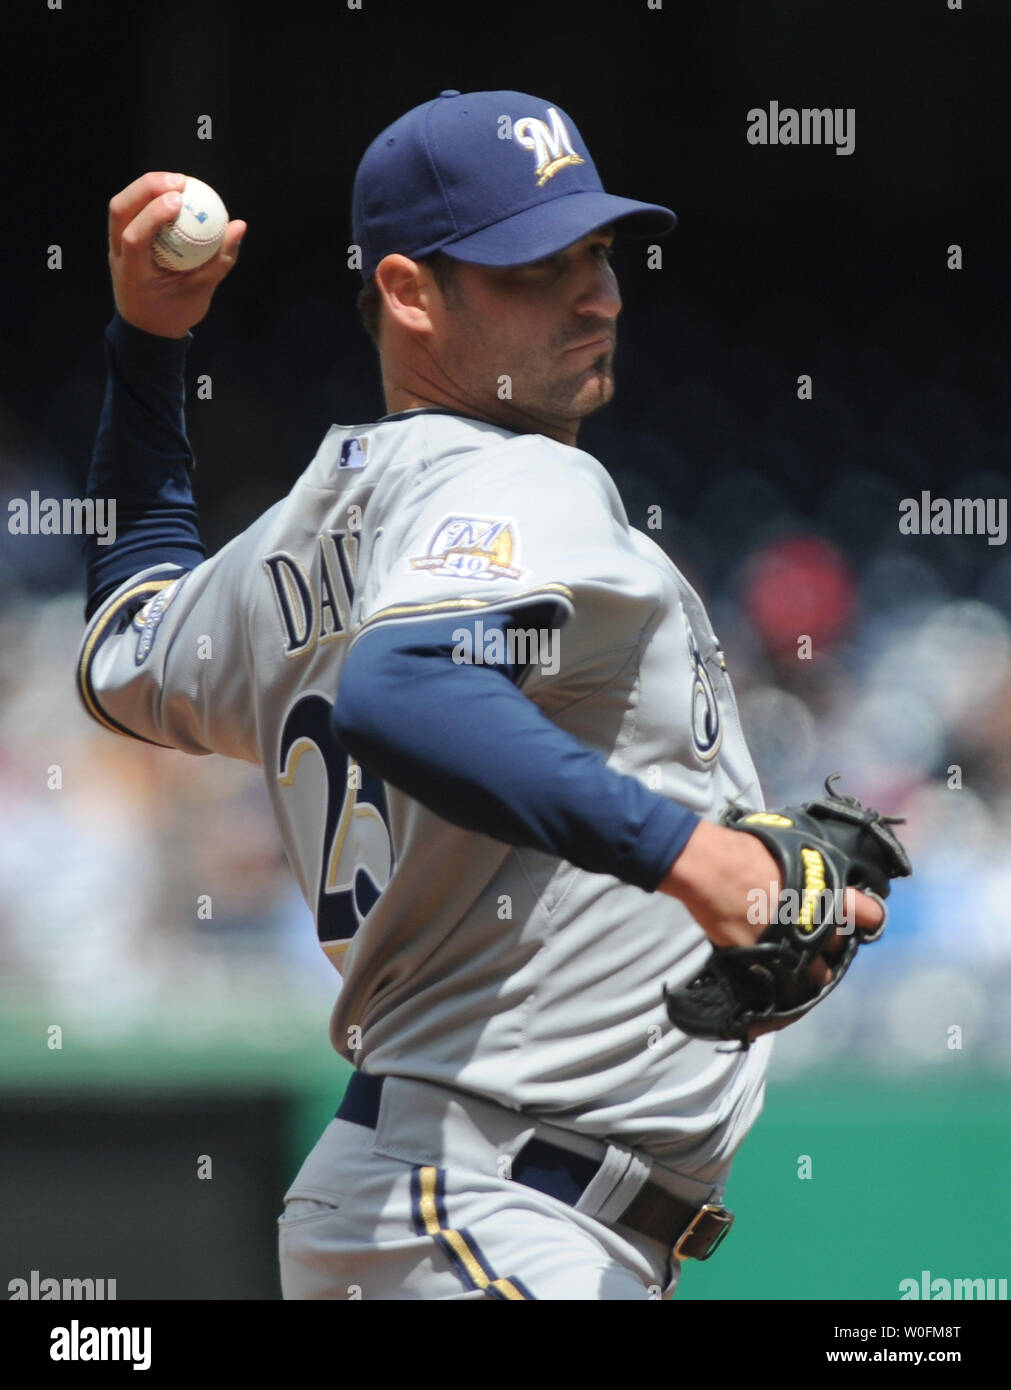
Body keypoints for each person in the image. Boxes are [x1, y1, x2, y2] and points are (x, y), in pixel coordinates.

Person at [78, 89, 884, 1300]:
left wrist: (149, 343)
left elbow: (120, 630)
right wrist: (698, 857)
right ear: (409, 293)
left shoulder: (287, 550)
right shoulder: (524, 483)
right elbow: (406, 694)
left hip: (443, 1212)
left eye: (601, 253)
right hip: (495, 1211)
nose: (598, 293)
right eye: (537, 266)